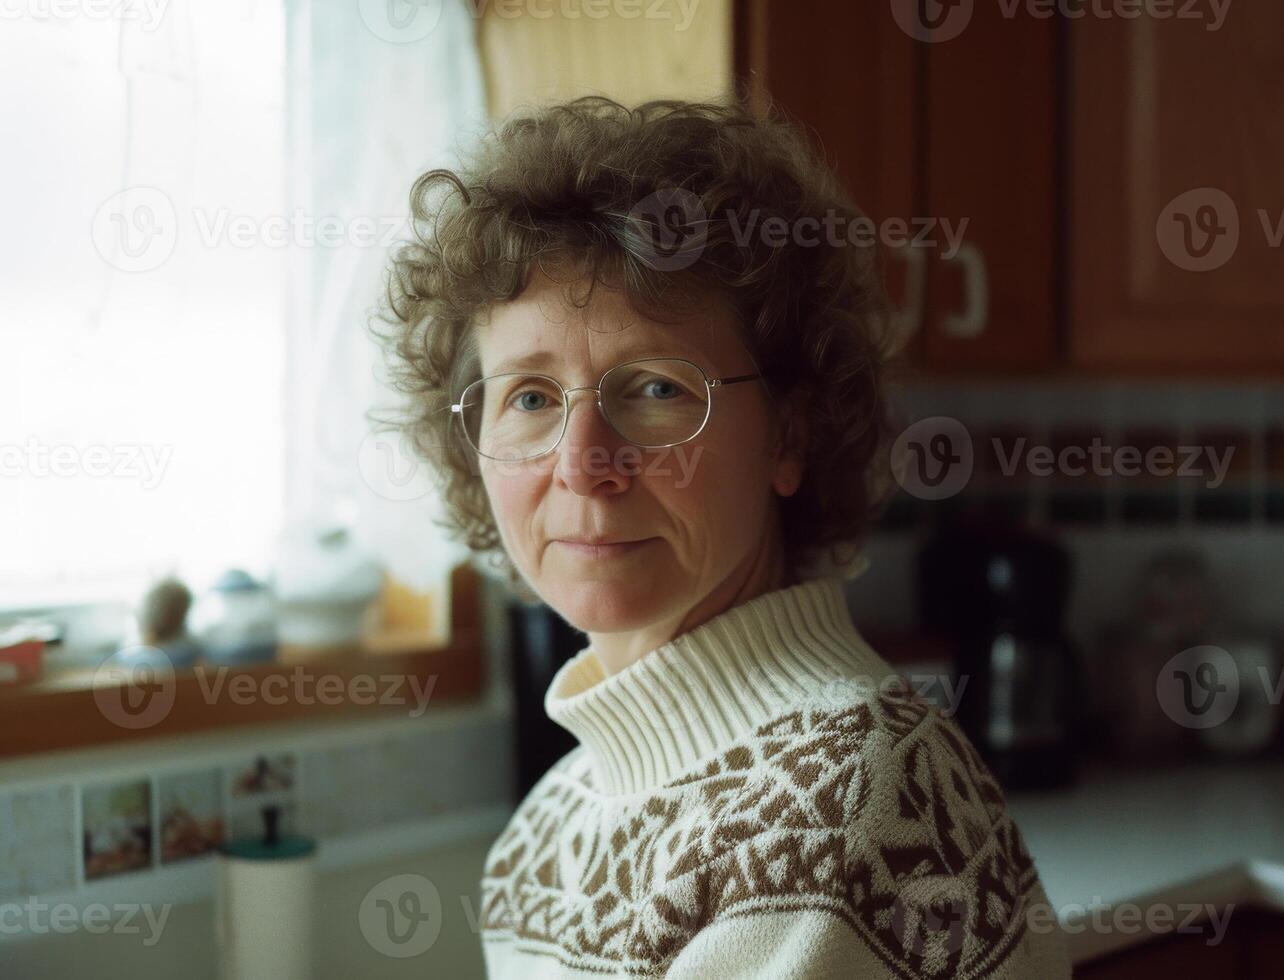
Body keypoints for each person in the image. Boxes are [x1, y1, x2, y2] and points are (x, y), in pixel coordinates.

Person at [375, 96, 1070, 979]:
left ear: (790, 435)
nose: (585, 464)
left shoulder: (846, 803)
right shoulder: (543, 836)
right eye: (531, 397)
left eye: (658, 390)